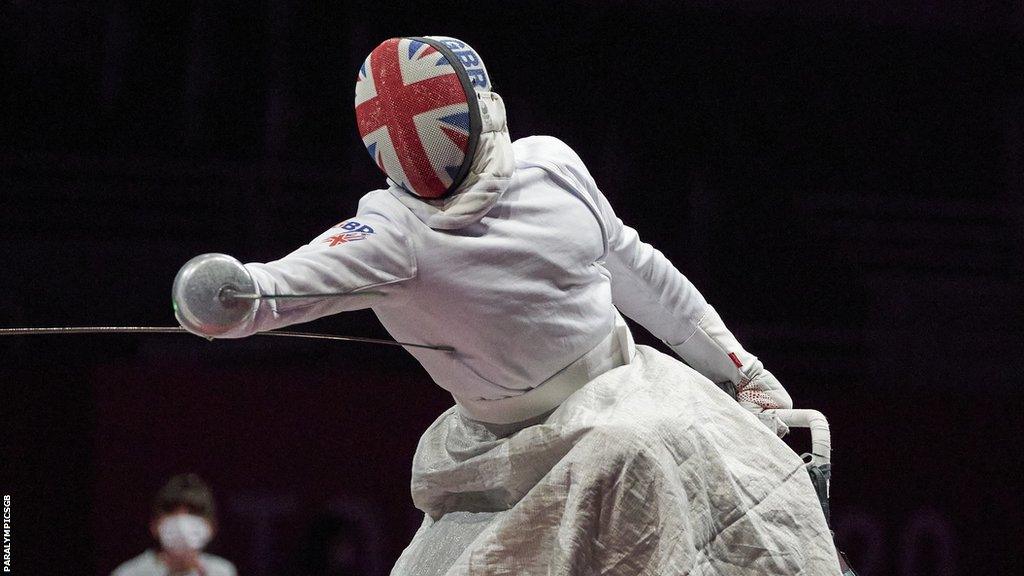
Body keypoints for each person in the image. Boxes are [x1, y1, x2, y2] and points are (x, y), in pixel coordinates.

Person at [173, 36, 841, 574]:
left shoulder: (529, 176)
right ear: (484, 106)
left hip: (626, 409)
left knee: (701, 510)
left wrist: (740, 371)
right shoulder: (401, 230)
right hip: (503, 460)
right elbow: (273, 291)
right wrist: (243, 294)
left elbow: (267, 293)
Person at [111, 473, 237, 576]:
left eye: (193, 512)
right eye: (171, 512)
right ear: (154, 525)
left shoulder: (223, 572)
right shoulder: (127, 573)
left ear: (211, 527)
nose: (181, 522)